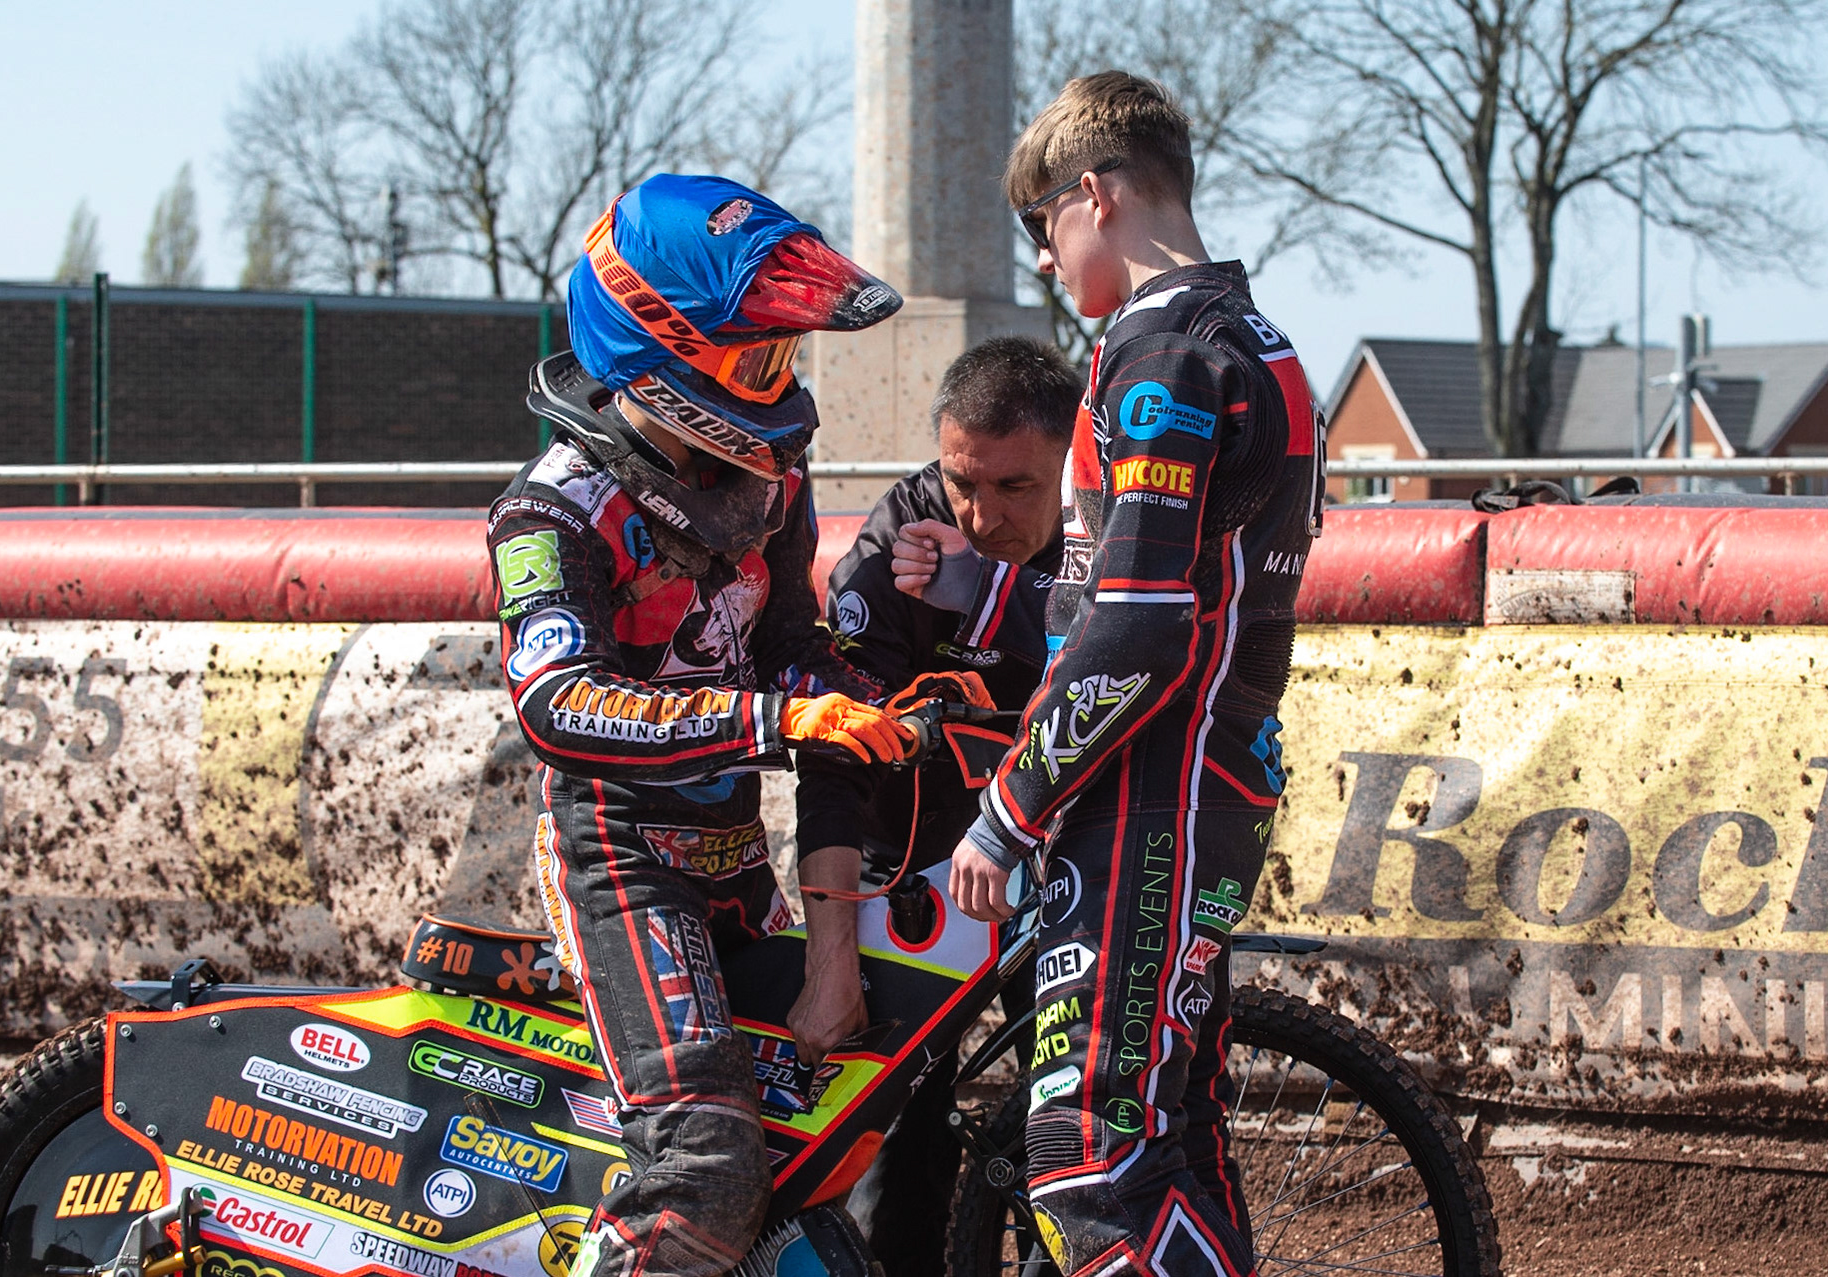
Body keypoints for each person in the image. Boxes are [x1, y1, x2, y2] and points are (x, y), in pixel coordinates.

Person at [894, 72, 1326, 1277]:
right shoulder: (1260, 340)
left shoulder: (1163, 359)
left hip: (1153, 793)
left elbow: (1138, 629)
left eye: (1045, 228)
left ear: (1097, 194)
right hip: (1206, 775)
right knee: (1170, 1138)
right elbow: (1155, 594)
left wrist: (1010, 808)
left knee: (1088, 1151)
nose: (1041, 263)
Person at [491, 174, 940, 1277]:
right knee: (706, 1168)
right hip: (619, 862)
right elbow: (558, 702)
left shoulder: (772, 477)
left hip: (734, 859)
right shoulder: (552, 509)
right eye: (752, 364)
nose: (774, 389)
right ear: (655, 353)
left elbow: (786, 631)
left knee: (814, 1137)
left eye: (780, 360)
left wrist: (862, 698)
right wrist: (779, 714)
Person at [794, 335, 1080, 1277]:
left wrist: (1000, 589)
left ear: (1071, 457)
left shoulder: (1117, 499)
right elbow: (833, 762)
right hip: (914, 859)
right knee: (898, 1133)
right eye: (964, 480)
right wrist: (833, 954)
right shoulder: (897, 544)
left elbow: (1144, 634)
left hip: (1057, 842)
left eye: (1016, 489)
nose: (982, 512)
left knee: (1073, 1114)